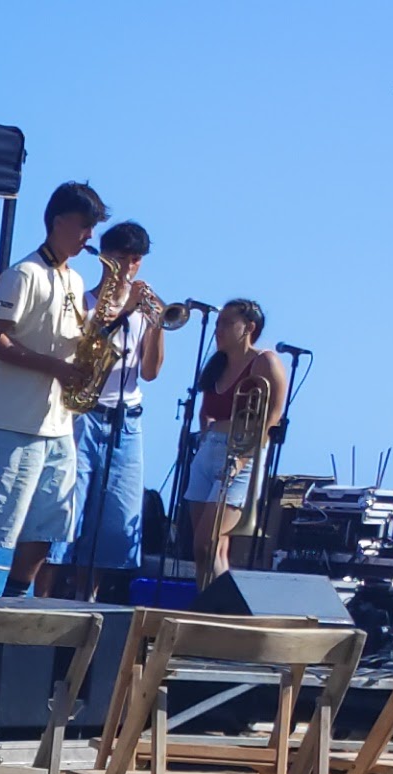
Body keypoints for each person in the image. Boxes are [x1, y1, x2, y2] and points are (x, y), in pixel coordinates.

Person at [0, 179, 106, 598]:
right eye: (84, 225)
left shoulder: (75, 280)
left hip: (58, 424)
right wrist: (53, 367)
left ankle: (11, 605)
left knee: (47, 527)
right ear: (59, 221)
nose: (89, 236)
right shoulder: (23, 274)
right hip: (10, 421)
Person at [57, 220, 171, 598]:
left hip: (127, 420)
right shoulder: (85, 303)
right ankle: (51, 595)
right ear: (106, 258)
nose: (129, 267)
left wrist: (156, 325)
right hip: (85, 415)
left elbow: (150, 372)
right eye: (122, 258)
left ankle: (89, 600)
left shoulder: (143, 311)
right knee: (69, 511)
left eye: (136, 260)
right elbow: (83, 356)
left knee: (114, 521)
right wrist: (125, 311)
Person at [180, 300, 286, 584]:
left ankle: (223, 604)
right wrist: (205, 436)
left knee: (207, 542)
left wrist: (243, 456)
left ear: (249, 327)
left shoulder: (264, 361)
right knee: (206, 550)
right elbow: (206, 410)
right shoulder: (217, 364)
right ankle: (210, 602)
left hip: (241, 453)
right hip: (209, 450)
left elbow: (273, 416)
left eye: (227, 323)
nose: (219, 329)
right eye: (218, 323)